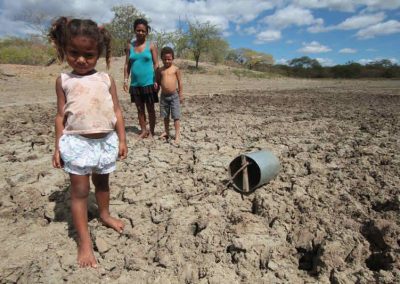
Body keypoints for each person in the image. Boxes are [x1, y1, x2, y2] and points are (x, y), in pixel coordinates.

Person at [49, 17, 128, 268]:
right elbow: (61, 116)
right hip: (77, 143)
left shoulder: (106, 80)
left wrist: (122, 139)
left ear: (99, 54)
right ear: (64, 49)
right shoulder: (64, 80)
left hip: (106, 141)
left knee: (102, 184)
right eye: (74, 53)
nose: (81, 60)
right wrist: (57, 146)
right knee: (80, 192)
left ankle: (104, 214)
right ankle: (84, 242)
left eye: (88, 55)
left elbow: (116, 111)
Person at [123, 18, 159, 139]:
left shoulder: (151, 46)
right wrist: (125, 80)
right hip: (135, 84)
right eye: (138, 30)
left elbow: (156, 64)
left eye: (143, 31)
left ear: (147, 32)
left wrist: (156, 80)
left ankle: (152, 131)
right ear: (134, 31)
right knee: (139, 109)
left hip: (149, 83)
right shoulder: (129, 46)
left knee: (150, 109)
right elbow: (127, 64)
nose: (140, 33)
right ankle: (143, 130)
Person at [156, 46, 183, 145]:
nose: (167, 61)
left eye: (169, 59)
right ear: (162, 59)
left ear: (173, 58)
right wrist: (156, 86)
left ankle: (177, 135)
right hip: (163, 96)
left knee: (176, 116)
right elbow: (158, 82)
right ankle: (166, 132)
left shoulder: (175, 69)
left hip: (174, 96)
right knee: (165, 116)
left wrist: (180, 94)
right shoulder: (160, 70)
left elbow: (180, 82)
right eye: (165, 59)